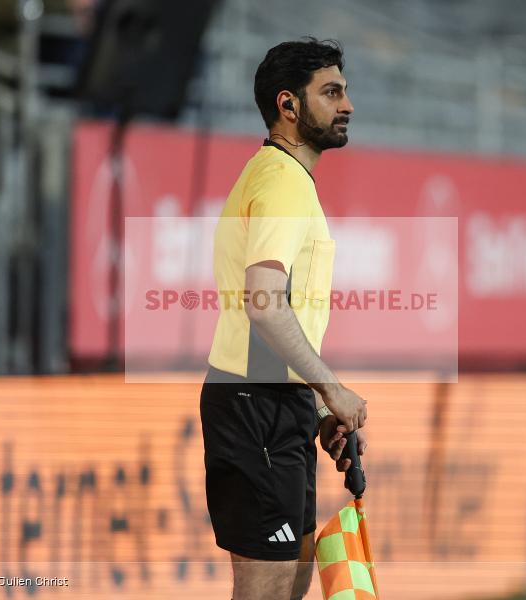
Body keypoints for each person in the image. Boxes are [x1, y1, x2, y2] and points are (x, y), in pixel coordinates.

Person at [199, 38, 368, 600]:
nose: (346, 105)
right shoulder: (281, 181)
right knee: (266, 591)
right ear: (288, 105)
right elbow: (264, 301)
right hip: (256, 405)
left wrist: (317, 404)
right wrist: (331, 387)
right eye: (332, 92)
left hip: (275, 401)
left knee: (290, 584)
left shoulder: (285, 178)